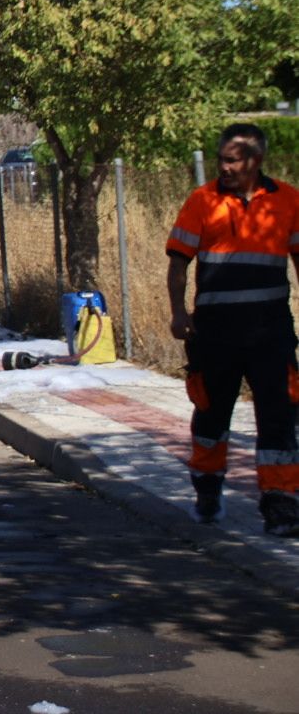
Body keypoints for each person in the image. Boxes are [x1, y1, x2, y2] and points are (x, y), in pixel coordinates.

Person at [165, 123, 299, 536]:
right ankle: (207, 487)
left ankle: (279, 503)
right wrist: (178, 313)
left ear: (255, 162)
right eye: (221, 158)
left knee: (279, 417)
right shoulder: (202, 201)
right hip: (216, 333)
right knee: (211, 414)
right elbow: (178, 264)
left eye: (232, 160)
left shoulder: (289, 201)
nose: (223, 166)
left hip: (271, 330)